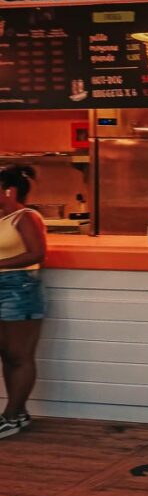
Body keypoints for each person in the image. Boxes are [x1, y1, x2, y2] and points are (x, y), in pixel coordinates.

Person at [0, 165, 47, 439]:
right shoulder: (3, 218)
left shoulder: (25, 217)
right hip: (6, 285)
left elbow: (37, 253)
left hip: (19, 287)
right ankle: (18, 413)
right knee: (6, 354)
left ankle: (11, 416)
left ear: (10, 190)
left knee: (19, 355)